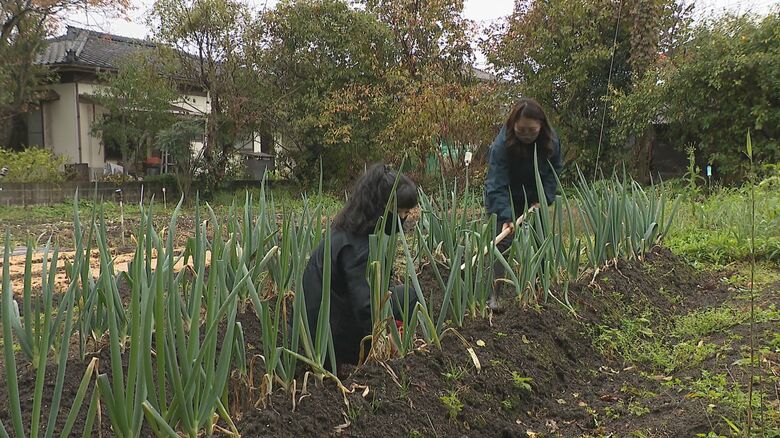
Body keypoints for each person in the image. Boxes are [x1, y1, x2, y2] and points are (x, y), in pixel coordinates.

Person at [302, 163, 419, 373]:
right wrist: (386, 341)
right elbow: (366, 307)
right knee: (410, 298)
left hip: (321, 325)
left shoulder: (346, 232)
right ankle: (385, 353)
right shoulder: (359, 249)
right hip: (332, 340)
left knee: (405, 296)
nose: (403, 219)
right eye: (400, 212)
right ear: (381, 207)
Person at [484, 98, 563, 309]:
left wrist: (544, 198)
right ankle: (494, 295)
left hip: (534, 200)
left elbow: (554, 172)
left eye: (532, 129)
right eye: (521, 130)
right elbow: (495, 182)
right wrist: (506, 215)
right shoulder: (502, 144)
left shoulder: (551, 141)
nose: (526, 134)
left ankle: (538, 291)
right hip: (505, 196)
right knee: (501, 244)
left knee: (539, 241)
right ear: (513, 126)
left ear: (541, 126)